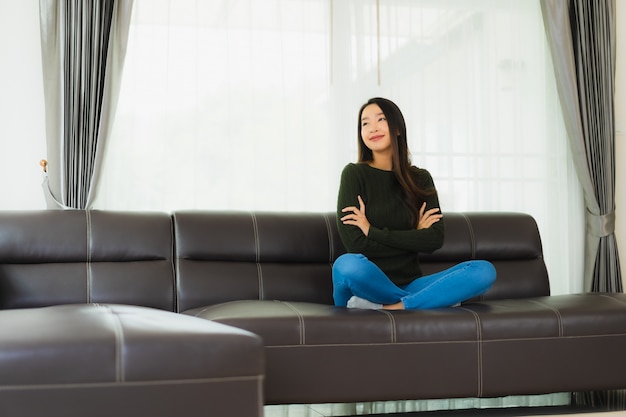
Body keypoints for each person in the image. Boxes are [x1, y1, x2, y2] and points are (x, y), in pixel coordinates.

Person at [332, 97, 496, 310]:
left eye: (381, 119)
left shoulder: (420, 178)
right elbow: (355, 244)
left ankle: (393, 307)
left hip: (411, 284)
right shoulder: (354, 174)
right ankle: (422, 301)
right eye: (365, 123)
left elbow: (434, 240)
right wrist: (415, 236)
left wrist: (372, 232)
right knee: (347, 265)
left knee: (484, 271)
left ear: (398, 129)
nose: (372, 128)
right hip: (368, 284)